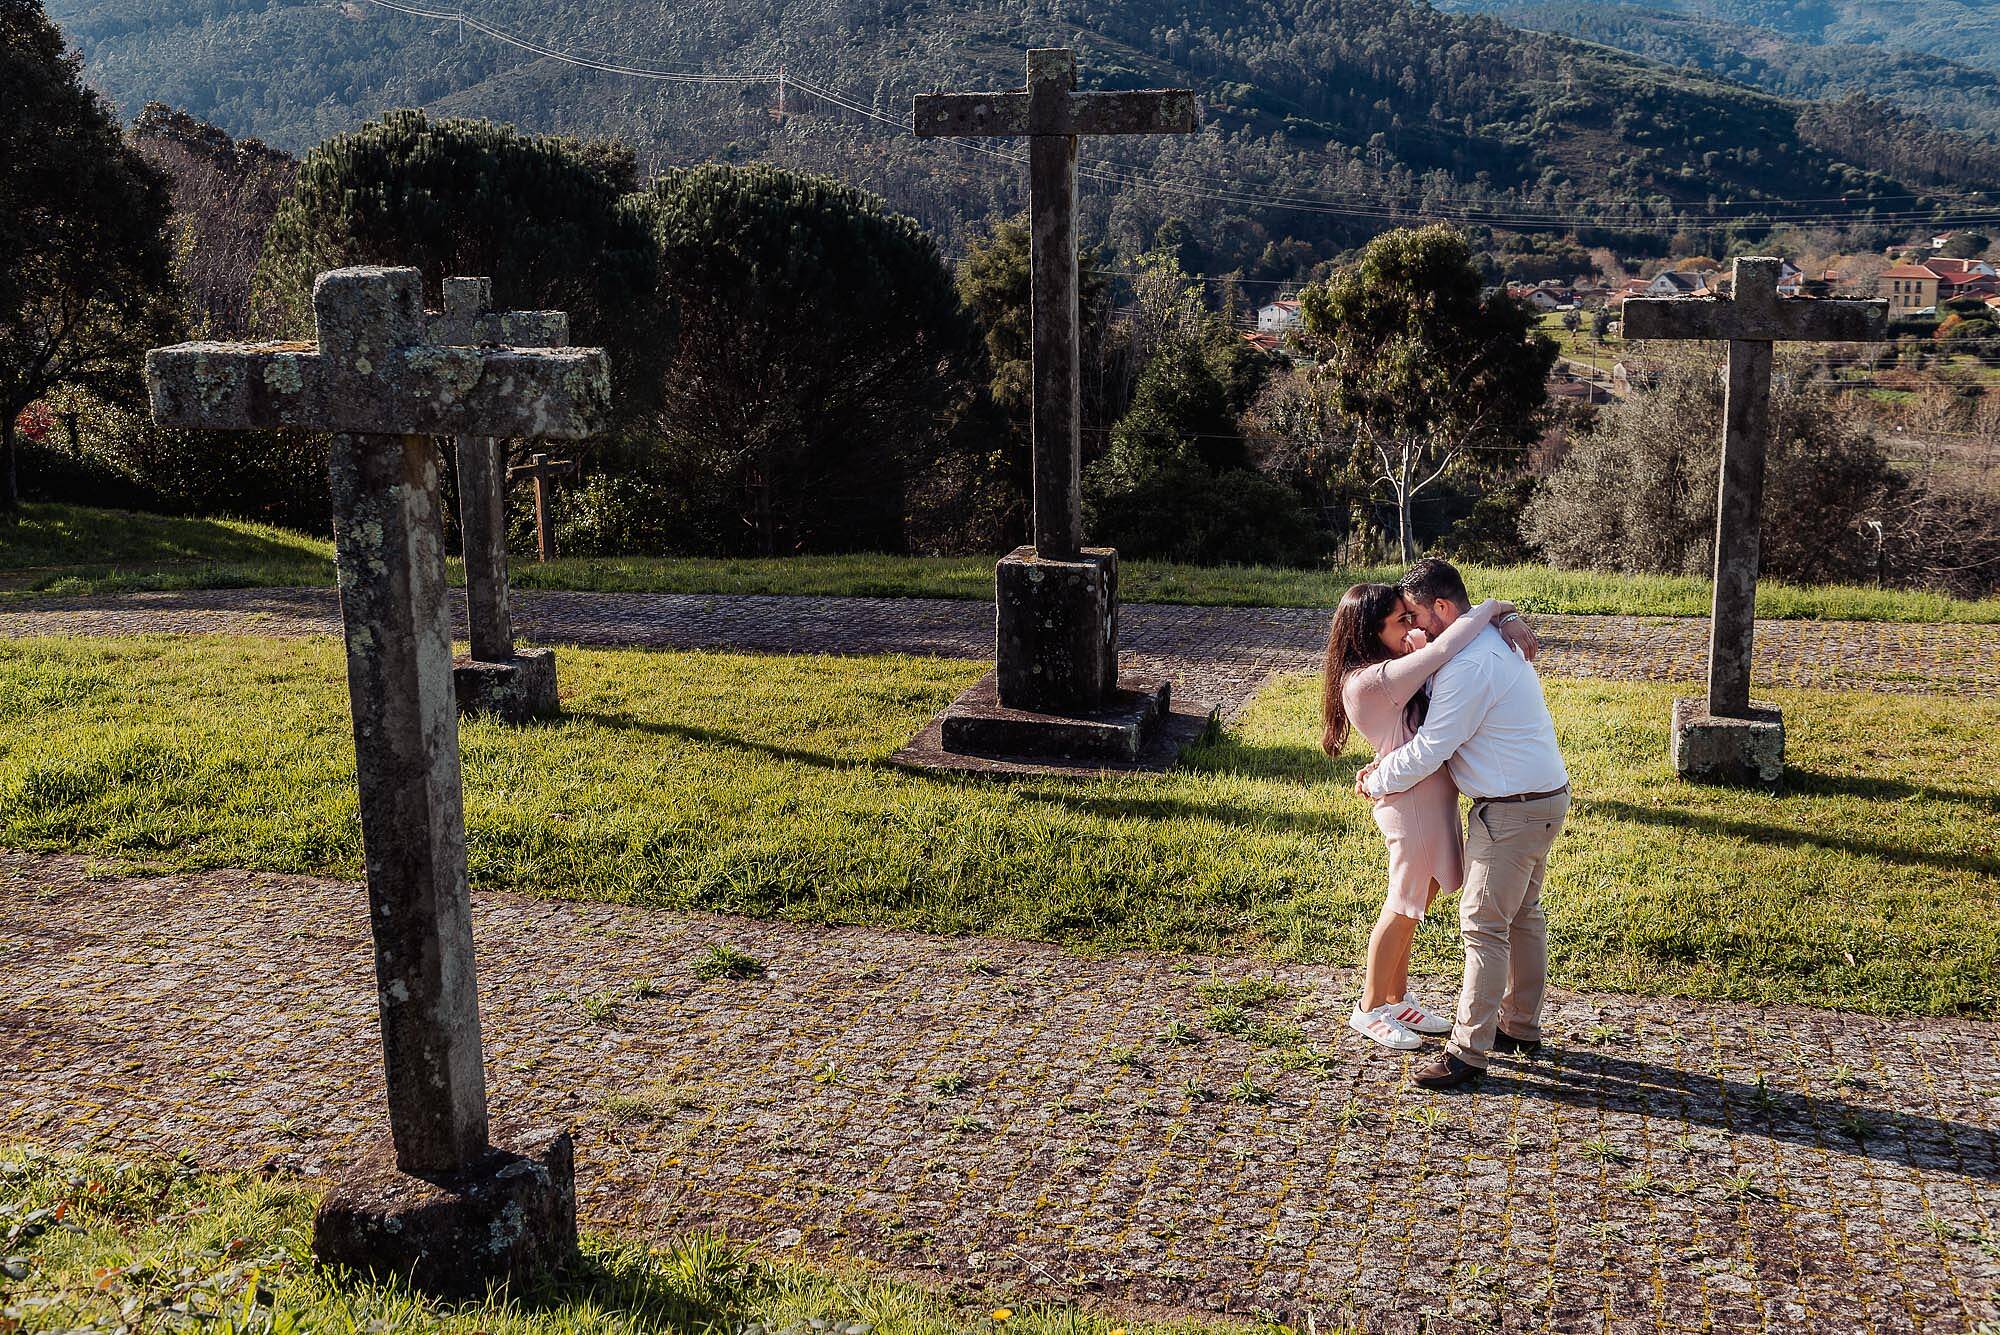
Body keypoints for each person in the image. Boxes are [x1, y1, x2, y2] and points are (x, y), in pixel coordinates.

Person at [1357, 558, 1570, 1091]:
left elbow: (1433, 747)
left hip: (1512, 809)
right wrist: (1506, 612)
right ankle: (1519, 1027)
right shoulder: (1491, 641)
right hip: (1543, 798)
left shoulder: (1466, 666)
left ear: (1444, 609)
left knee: (1483, 925)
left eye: (1418, 617)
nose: (1415, 630)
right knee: (1522, 916)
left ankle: (1468, 1054)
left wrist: (1378, 778)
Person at [1322, 581, 1538, 1051]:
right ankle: (1370, 1006)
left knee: (1418, 902)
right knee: (1402, 905)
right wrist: (1498, 606)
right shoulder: (1371, 680)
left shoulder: (1389, 670)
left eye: (1410, 616)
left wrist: (1504, 618)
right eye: (1401, 621)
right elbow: (1450, 644)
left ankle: (1396, 998)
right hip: (1411, 805)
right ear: (1368, 630)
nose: (1412, 627)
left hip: (1428, 800)